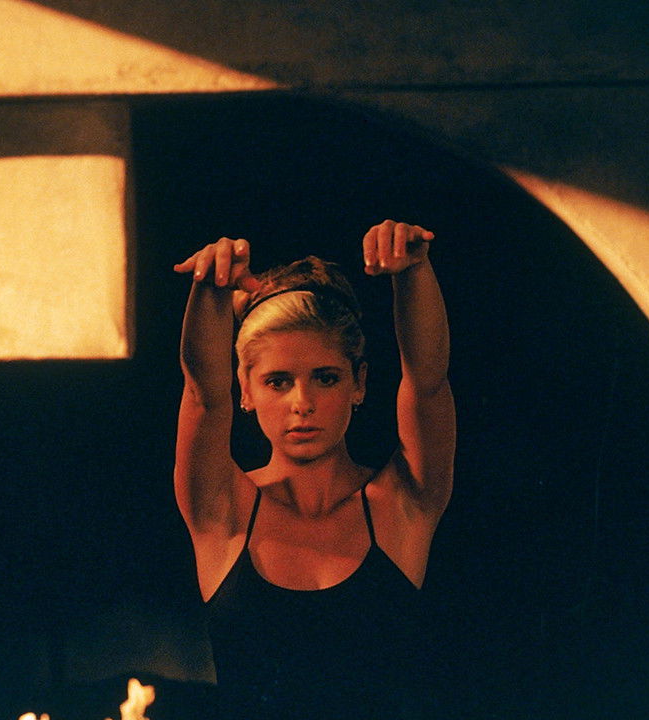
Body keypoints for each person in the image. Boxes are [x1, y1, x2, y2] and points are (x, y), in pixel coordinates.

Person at [172, 221, 454, 718]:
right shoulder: (223, 510)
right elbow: (202, 395)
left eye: (325, 378)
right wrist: (211, 287)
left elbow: (427, 383)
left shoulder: (401, 503)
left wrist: (414, 271)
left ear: (358, 383)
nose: (302, 403)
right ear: (246, 389)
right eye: (278, 381)